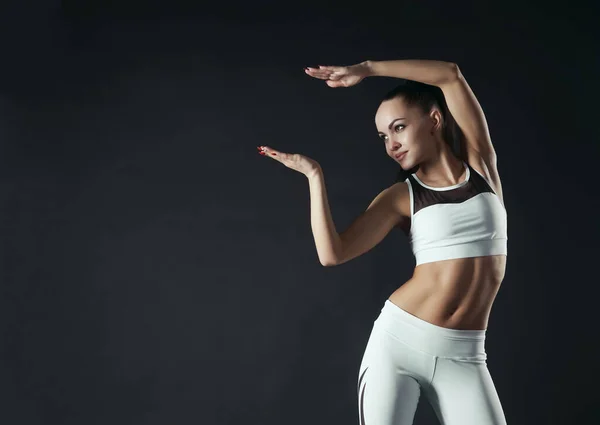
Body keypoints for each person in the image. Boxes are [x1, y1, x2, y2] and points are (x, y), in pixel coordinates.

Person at [257, 59, 508, 425]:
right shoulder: (400, 197)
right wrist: (314, 176)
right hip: (399, 345)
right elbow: (333, 254)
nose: (391, 144)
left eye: (399, 128)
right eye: (383, 137)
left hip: (465, 356)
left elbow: (450, 75)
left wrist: (367, 69)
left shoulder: (481, 168)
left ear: (435, 121)